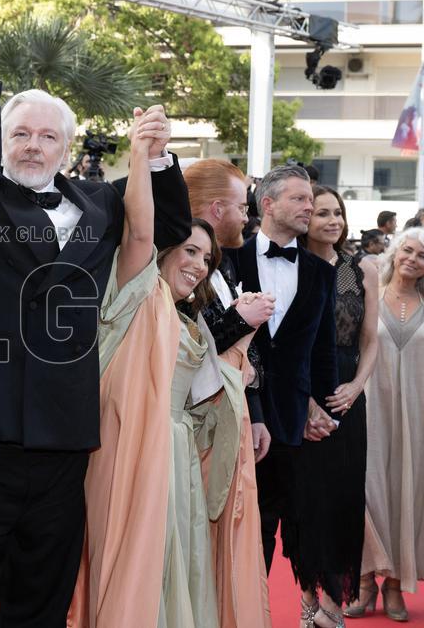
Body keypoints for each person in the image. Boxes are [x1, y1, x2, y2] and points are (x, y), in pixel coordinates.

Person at [0, 17, 193, 623]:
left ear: (67, 150)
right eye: (20, 133)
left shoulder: (102, 203)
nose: (32, 145)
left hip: (66, 438)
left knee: (44, 598)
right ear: (0, 140)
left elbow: (172, 230)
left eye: (47, 137)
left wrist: (159, 157)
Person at [68, 100, 222, 626]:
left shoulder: (187, 316)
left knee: (173, 569)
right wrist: (143, 155)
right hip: (123, 451)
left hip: (175, 459)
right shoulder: (134, 289)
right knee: (128, 568)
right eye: (191, 252)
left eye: (208, 259)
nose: (200, 266)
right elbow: (139, 230)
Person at [224, 164, 339, 626]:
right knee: (236, 526)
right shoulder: (229, 259)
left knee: (279, 524)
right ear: (266, 204)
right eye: (298, 198)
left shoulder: (320, 272)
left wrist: (326, 411)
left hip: (292, 422)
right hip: (231, 414)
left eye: (309, 199)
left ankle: (264, 613)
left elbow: (324, 350)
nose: (308, 206)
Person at [182, 158, 276, 627]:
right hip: (199, 432)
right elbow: (188, 349)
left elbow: (246, 351)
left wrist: (256, 410)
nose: (247, 216)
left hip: (235, 422)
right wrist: (243, 319)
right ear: (217, 209)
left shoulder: (222, 267)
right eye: (242, 206)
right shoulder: (180, 267)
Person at [288, 185, 380, 626]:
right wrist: (306, 404)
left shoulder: (362, 270)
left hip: (347, 398)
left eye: (337, 214)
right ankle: (308, 602)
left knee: (343, 500)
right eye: (322, 213)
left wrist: (357, 387)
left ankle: (333, 608)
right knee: (305, 502)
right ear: (307, 220)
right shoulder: (292, 266)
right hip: (300, 393)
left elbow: (370, 340)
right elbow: (283, 346)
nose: (332, 221)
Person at [352, 227, 424, 622]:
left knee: (405, 495)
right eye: (407, 250)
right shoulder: (370, 294)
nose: (412, 259)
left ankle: (395, 584)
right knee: (367, 489)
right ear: (396, 251)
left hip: (416, 415)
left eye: (421, 255)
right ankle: (364, 582)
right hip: (369, 408)